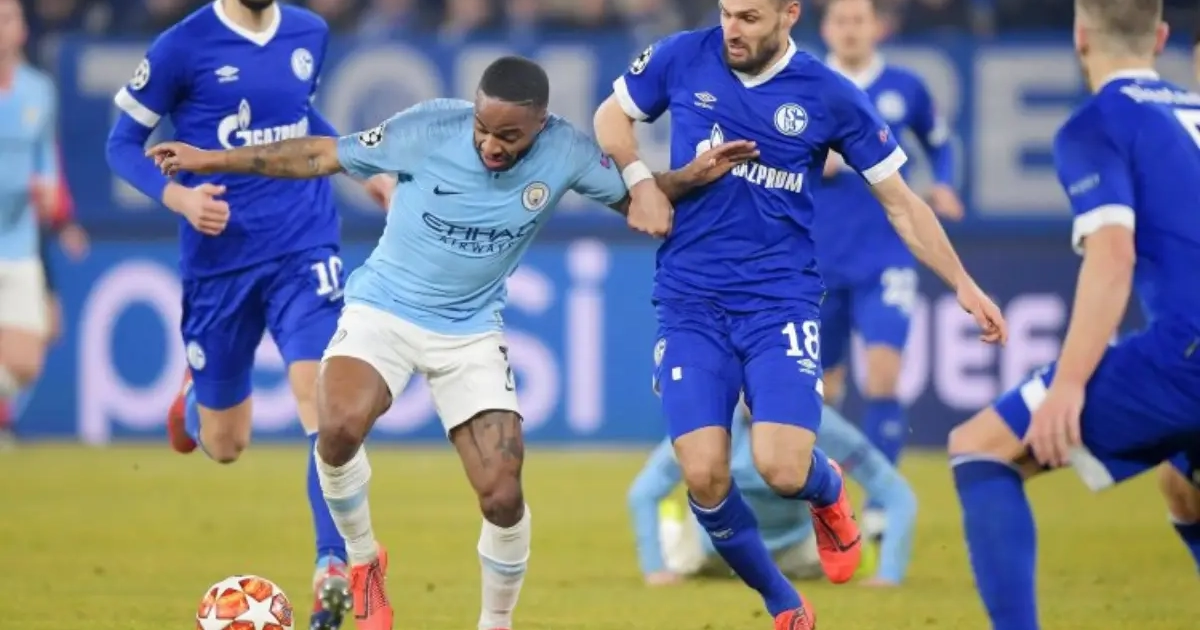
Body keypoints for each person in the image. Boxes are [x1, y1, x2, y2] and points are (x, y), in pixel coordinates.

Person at [147, 55, 760, 630]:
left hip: (469, 333)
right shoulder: (428, 126)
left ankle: (496, 621)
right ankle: (364, 561)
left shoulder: (568, 150)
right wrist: (209, 160)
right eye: (482, 128)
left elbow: (639, 198)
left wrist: (687, 178)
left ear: (540, 125)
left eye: (509, 137)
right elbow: (319, 155)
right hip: (383, 312)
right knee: (337, 428)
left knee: (502, 494)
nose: (490, 144)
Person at [592, 0, 1008, 627]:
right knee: (703, 473)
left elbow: (901, 203)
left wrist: (963, 284)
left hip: (778, 302)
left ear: (789, 14)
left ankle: (827, 488)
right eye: (727, 13)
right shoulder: (682, 55)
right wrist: (641, 182)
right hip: (690, 300)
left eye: (749, 17)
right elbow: (610, 115)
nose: (732, 29)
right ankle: (783, 601)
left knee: (781, 467)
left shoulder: (828, 94)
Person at [103, 1, 392, 627]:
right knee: (226, 443)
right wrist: (177, 197)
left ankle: (331, 567)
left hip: (304, 242)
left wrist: (357, 163)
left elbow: (294, 116)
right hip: (221, 261)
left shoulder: (309, 31)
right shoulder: (183, 46)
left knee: (322, 398)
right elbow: (121, 143)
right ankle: (193, 399)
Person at [947, 1, 1200, 627]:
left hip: (1187, 352)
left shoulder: (1097, 124)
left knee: (981, 449)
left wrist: (1068, 384)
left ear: (1080, 35)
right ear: (1161, 37)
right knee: (1184, 486)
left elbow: (1113, 256)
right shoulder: (1191, 111)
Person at [813, 0, 964, 543]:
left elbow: (940, 143)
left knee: (883, 375)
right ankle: (826, 501)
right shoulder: (807, 84)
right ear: (826, 28)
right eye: (841, 21)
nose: (851, 30)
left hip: (886, 256)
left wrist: (943, 183)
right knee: (823, 392)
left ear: (876, 27)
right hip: (819, 259)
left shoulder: (906, 87)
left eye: (860, 20)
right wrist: (814, 158)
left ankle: (879, 503)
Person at [629, 402, 916, 586]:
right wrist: (655, 570)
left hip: (799, 553)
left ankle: (855, 547)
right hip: (714, 551)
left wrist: (889, 574)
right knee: (677, 549)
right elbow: (643, 493)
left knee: (844, 556)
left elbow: (898, 495)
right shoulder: (708, 423)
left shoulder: (819, 424)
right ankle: (671, 526)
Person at [0, 0, 57, 448]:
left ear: (21, 29)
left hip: (19, 242)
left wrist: (48, 191)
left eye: (7, 18)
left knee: (26, 364)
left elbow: (46, 162)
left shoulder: (39, 91)